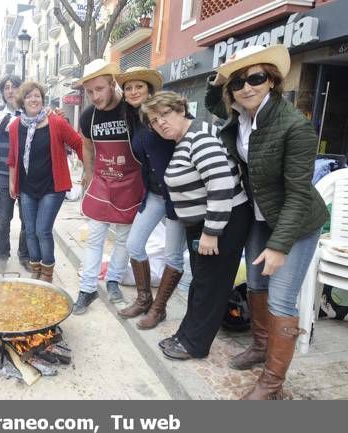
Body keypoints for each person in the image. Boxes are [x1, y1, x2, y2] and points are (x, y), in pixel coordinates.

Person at [205, 44, 328, 399]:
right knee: (256, 285)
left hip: (297, 221)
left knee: (280, 299)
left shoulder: (294, 127)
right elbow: (214, 100)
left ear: (272, 80)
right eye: (239, 82)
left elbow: (299, 194)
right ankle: (260, 347)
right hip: (262, 216)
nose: (246, 87)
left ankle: (272, 384)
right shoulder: (240, 115)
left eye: (255, 77)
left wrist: (279, 246)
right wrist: (222, 77)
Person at [144, 91, 251, 361]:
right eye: (155, 121)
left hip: (220, 224)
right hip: (204, 224)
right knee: (201, 283)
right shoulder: (185, 138)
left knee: (211, 287)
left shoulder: (200, 138)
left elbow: (221, 185)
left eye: (165, 115)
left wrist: (211, 233)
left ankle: (195, 344)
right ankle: (185, 334)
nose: (161, 123)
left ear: (181, 110)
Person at [113, 67, 187, 329]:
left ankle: (159, 308)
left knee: (173, 256)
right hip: (154, 194)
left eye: (139, 87)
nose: (133, 92)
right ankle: (144, 299)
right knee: (134, 245)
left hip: (178, 197)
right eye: (129, 88)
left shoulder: (162, 115)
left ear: (149, 90)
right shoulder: (133, 118)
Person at [71, 59, 144, 315]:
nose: (94, 96)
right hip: (102, 181)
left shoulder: (132, 109)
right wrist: (89, 176)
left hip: (130, 181)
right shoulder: (88, 116)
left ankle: (113, 280)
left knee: (124, 238)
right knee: (94, 239)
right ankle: (87, 288)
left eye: (99, 89)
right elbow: (87, 146)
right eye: (90, 92)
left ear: (113, 84)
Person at [7, 81, 83, 283]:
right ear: (22, 101)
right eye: (29, 96)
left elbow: (77, 143)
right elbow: (13, 156)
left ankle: (47, 274)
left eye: (37, 96)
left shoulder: (56, 122)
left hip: (52, 187)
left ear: (43, 99)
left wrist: (91, 172)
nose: (34, 99)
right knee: (29, 231)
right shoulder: (15, 126)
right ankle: (36, 268)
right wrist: (12, 183)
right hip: (26, 188)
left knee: (42, 230)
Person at [0, 74, 31, 274]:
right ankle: (2, 255)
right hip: (4, 174)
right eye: (6, 87)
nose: (10, 91)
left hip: (27, 176)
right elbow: (9, 124)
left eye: (14, 87)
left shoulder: (31, 113)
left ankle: (24, 255)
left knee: (27, 219)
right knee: (3, 218)